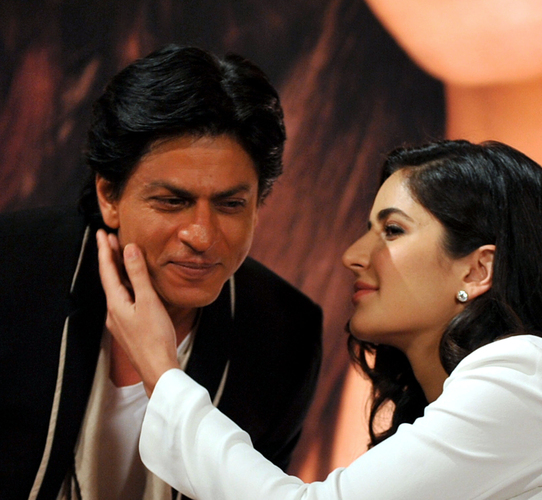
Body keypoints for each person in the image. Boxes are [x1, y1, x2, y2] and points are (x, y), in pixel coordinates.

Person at [99, 139, 542, 498]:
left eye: (392, 230)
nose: (353, 255)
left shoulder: (530, 373)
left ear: (478, 269)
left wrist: (162, 372)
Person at [0, 44, 322, 500]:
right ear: (109, 195)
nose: (202, 235)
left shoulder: (283, 334)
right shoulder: (14, 271)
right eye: (172, 202)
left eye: (231, 204)